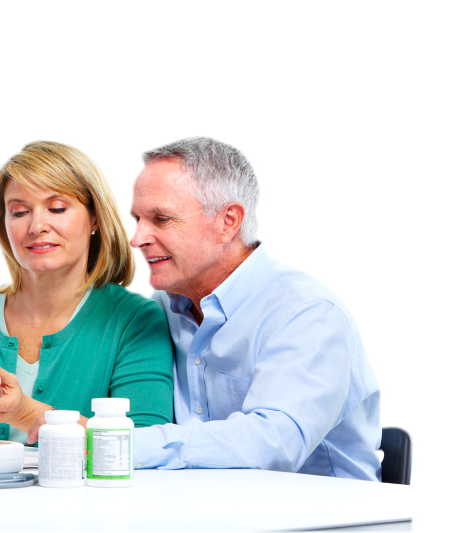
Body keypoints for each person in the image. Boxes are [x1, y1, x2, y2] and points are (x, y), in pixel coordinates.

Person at [120, 137, 381, 480]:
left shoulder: (308, 313)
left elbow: (271, 445)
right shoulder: (160, 311)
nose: (137, 238)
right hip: (212, 509)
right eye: (138, 218)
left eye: (162, 219)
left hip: (323, 518)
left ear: (228, 221)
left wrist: (125, 445)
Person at [0, 141, 173, 443]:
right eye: (19, 212)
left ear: (95, 217)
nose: (36, 225)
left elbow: (145, 446)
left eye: (57, 208)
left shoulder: (135, 321)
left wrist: (25, 412)